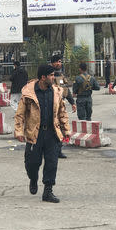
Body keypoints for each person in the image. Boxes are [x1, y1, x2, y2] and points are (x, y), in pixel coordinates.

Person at [14, 65, 70, 203]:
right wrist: (19, 130)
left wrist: (66, 130)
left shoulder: (56, 92)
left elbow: (62, 112)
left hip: (52, 133)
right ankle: (33, 178)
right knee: (32, 163)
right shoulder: (29, 93)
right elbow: (20, 114)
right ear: (43, 77)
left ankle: (48, 191)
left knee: (52, 162)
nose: (53, 78)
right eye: (51, 75)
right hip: (35, 134)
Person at [51, 54, 76, 158]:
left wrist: (72, 103)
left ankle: (58, 150)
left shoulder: (61, 75)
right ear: (52, 63)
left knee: (62, 128)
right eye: (57, 61)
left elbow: (66, 90)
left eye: (60, 61)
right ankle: (49, 150)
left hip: (61, 107)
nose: (59, 63)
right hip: (51, 107)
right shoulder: (48, 75)